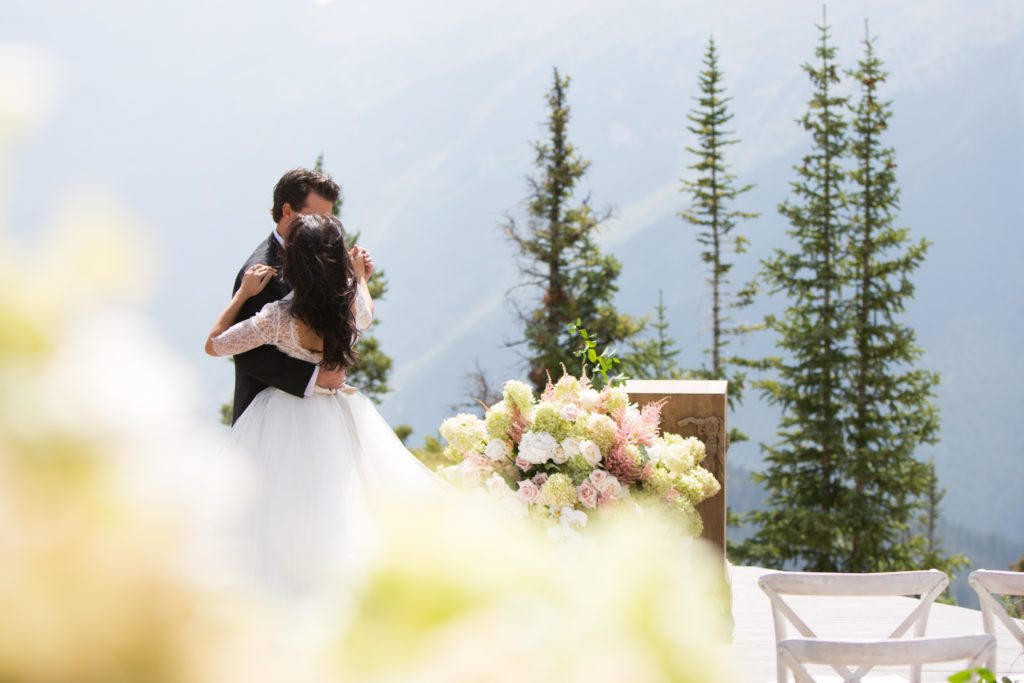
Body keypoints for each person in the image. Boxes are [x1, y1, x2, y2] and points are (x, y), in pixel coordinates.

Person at [206, 213, 442, 593]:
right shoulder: (350, 307)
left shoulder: (278, 317)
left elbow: (215, 344)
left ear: (293, 261)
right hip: (338, 411)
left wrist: (243, 295)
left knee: (281, 513)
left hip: (282, 416)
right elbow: (367, 310)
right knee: (347, 502)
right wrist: (360, 276)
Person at [229, 168, 350, 424]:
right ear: (287, 212)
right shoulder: (262, 271)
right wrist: (312, 377)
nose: (324, 226)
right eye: (317, 217)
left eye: (329, 217)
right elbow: (247, 352)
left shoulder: (320, 258)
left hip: (317, 411)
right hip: (268, 421)